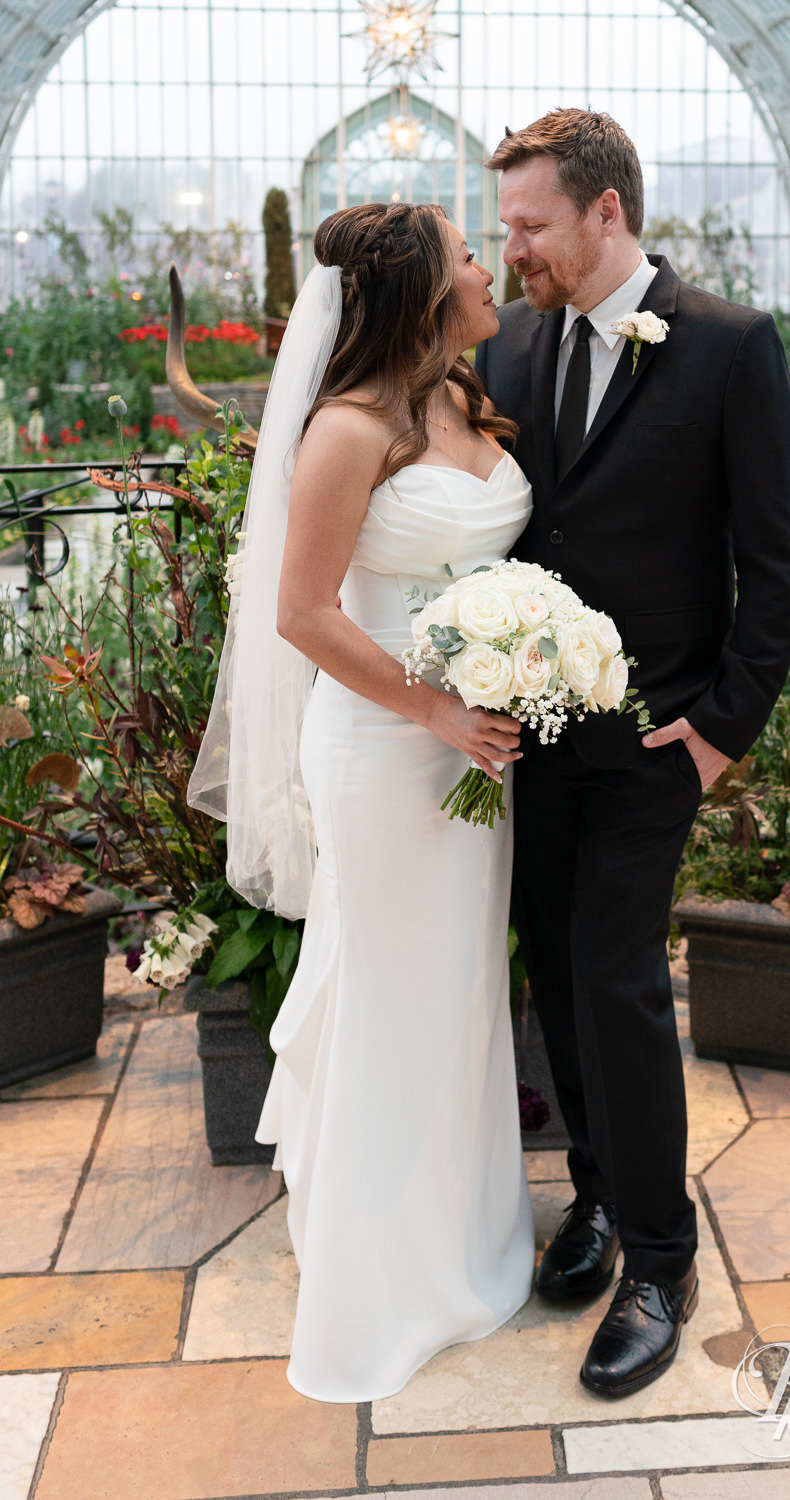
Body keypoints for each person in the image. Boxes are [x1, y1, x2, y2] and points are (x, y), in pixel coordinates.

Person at [476, 109, 790, 1398]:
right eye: (506, 225)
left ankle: (663, 1262)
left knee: (617, 976)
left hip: (657, 740)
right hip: (529, 741)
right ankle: (601, 1197)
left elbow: (778, 560)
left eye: (531, 225)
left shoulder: (729, 344)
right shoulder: (505, 341)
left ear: (606, 211)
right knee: (558, 973)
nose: (512, 250)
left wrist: (722, 732)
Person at [189, 201, 535, 1402]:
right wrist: (436, 708)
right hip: (389, 753)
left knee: (459, 995)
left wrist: (523, 663)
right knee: (395, 997)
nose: (491, 267)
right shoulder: (346, 428)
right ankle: (378, 1287)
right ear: (419, 294)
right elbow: (303, 612)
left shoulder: (460, 398)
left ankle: (462, 1241)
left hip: (470, 750)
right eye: (468, 256)